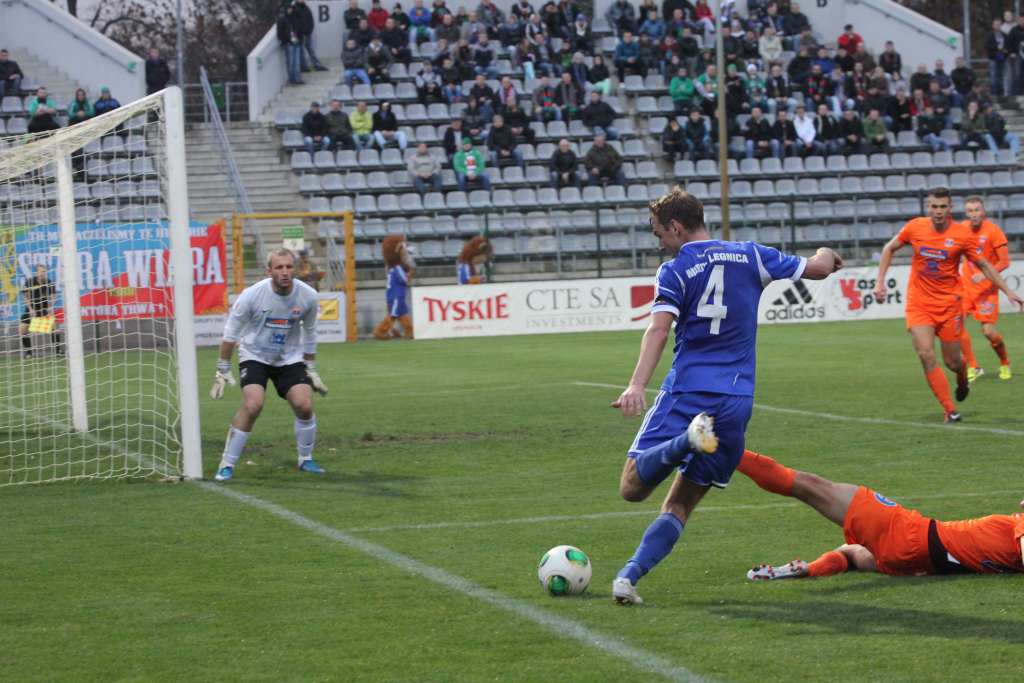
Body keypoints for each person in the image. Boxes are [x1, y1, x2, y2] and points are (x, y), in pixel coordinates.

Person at [609, 188, 843, 605]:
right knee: (680, 503)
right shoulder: (751, 255)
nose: (659, 241)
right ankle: (628, 577)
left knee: (631, 487)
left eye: (659, 233)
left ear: (677, 228)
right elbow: (821, 267)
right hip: (736, 401)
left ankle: (685, 440)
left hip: (688, 391)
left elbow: (659, 329)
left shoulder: (674, 269)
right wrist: (828, 251)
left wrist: (636, 384)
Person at [739, 448, 1024, 580]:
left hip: (913, 534)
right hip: (914, 564)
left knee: (808, 485)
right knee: (850, 553)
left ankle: (725, 450)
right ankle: (808, 569)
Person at [873, 187, 1024, 423]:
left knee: (953, 362)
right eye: (934, 206)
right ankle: (949, 409)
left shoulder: (962, 235)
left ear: (950, 208)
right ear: (928, 207)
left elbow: (985, 265)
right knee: (925, 353)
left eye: (943, 207)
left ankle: (962, 377)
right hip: (920, 303)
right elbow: (888, 248)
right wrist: (880, 282)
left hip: (949, 305)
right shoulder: (915, 227)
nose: (938, 211)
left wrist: (1009, 292)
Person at [209, 248, 328, 482]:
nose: (285, 272)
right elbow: (231, 334)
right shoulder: (252, 295)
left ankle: (306, 459)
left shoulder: (308, 296)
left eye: (289, 267)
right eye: (279, 267)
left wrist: (311, 368)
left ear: (294, 268)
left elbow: (311, 332)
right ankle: (227, 464)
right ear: (269, 271)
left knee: (304, 405)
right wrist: (222, 368)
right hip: (255, 355)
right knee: (253, 405)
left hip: (289, 358)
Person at [958, 197, 1012, 382]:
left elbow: (1004, 261)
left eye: (976, 210)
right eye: (970, 211)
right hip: (964, 288)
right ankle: (974, 366)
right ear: (966, 213)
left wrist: (985, 274)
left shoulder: (993, 231)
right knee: (956, 326)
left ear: (983, 212)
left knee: (989, 332)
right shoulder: (961, 228)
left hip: (986, 290)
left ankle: (1004, 362)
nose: (973, 214)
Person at [373, 235, 415, 339]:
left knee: (403, 314)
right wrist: (409, 275)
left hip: (394, 295)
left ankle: (409, 331)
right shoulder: (397, 268)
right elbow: (403, 280)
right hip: (397, 295)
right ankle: (380, 331)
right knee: (393, 315)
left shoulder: (390, 268)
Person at [19, 264, 61, 359]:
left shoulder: (48, 282)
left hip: (43, 309)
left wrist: (51, 306)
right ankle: (29, 352)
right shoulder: (30, 282)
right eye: (41, 271)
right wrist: (30, 308)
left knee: (54, 327)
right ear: (36, 272)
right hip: (32, 309)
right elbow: (25, 295)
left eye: (44, 272)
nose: (42, 273)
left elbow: (54, 295)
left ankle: (58, 350)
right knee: (22, 329)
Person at [292, 0, 328, 72]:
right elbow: (295, 22)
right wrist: (300, 32)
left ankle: (316, 65)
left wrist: (310, 29)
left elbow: (310, 19)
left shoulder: (306, 8)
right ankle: (304, 67)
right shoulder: (295, 9)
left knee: (310, 49)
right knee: (302, 51)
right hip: (300, 34)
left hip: (308, 33)